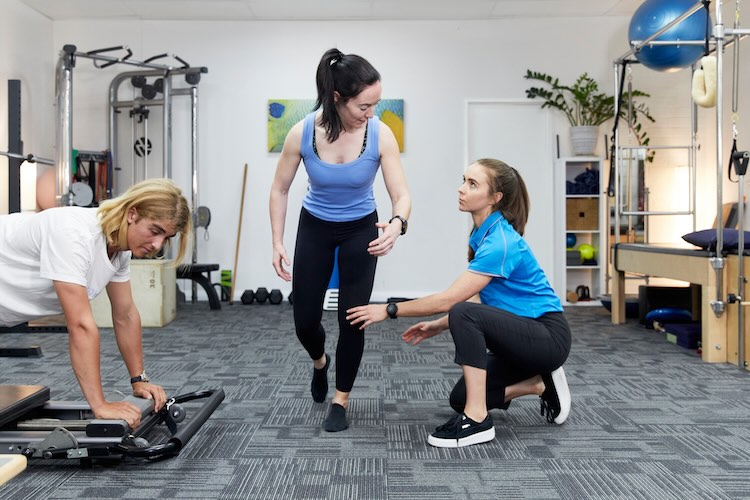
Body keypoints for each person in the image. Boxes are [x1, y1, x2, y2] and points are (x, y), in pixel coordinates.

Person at [346, 158, 571, 448]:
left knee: (463, 313)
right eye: (464, 180)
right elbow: (480, 295)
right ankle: (537, 384)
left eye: (472, 184)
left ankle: (477, 422)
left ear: (495, 198)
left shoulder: (501, 241)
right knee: (462, 398)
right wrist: (440, 325)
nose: (461, 189)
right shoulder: (484, 233)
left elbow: (453, 299)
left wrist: (388, 310)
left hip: (547, 337)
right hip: (521, 337)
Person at [270, 48, 411, 432]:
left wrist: (397, 223)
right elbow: (280, 189)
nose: (371, 112)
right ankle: (320, 362)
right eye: (364, 105)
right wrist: (278, 241)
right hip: (315, 225)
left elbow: (401, 194)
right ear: (337, 98)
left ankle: (341, 399)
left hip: (360, 228)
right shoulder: (302, 132)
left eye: (376, 103)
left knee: (353, 318)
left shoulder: (380, 135)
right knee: (304, 322)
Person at [0, 178, 192, 429]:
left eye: (167, 237)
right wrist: (99, 405)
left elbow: (125, 314)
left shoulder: (118, 249)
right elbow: (80, 325)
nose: (158, 245)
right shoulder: (75, 234)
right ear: (132, 214)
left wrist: (139, 379)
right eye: (155, 231)